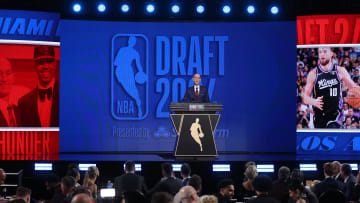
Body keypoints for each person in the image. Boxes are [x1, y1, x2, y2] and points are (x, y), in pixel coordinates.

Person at [302, 47, 360, 128]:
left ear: (331, 54)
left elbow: (354, 87)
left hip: (335, 116)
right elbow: (305, 98)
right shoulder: (313, 73)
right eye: (320, 52)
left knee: (332, 130)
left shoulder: (340, 70)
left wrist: (356, 96)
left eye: (325, 51)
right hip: (319, 116)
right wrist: (313, 101)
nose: (322, 54)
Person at [18, 46, 59, 127]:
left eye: (49, 61)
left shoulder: (69, 95)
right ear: (35, 65)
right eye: (41, 62)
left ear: (55, 64)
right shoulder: (24, 103)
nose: (45, 66)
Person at [114, 36, 146, 118]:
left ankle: (138, 107)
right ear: (128, 41)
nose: (131, 42)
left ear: (134, 43)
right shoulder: (122, 49)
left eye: (133, 41)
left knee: (132, 88)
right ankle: (138, 103)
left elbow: (139, 65)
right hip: (120, 71)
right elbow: (116, 62)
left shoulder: (135, 53)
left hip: (128, 71)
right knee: (128, 88)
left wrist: (141, 73)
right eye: (130, 40)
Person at [0, 57, 20, 127]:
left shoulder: (19, 111)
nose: (4, 79)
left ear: (13, 77)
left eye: (8, 73)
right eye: (0, 73)